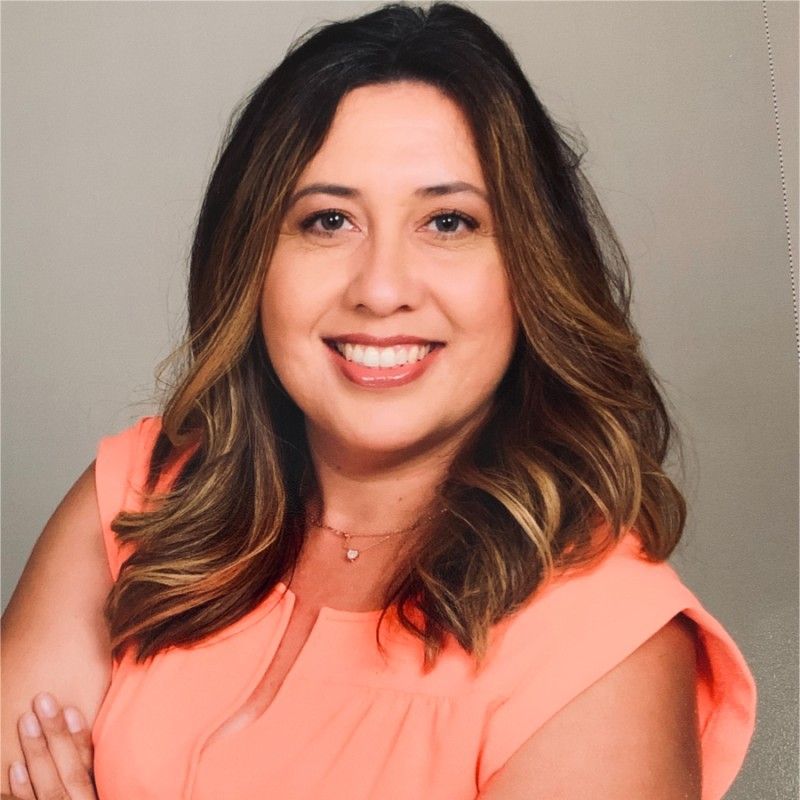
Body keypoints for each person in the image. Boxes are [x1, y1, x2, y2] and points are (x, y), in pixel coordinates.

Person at [1, 2, 756, 798]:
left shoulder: (605, 645)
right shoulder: (138, 502)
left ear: (530, 267)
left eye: (448, 221)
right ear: (253, 260)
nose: (382, 289)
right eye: (328, 220)